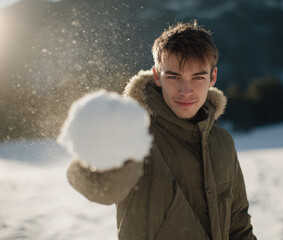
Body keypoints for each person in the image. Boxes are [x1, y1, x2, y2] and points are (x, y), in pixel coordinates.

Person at [67, 20, 256, 240]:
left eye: (197, 77)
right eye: (174, 77)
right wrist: (101, 155)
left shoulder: (223, 143)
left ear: (212, 77)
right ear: (157, 76)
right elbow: (95, 185)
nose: (186, 91)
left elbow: (239, 226)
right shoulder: (136, 135)